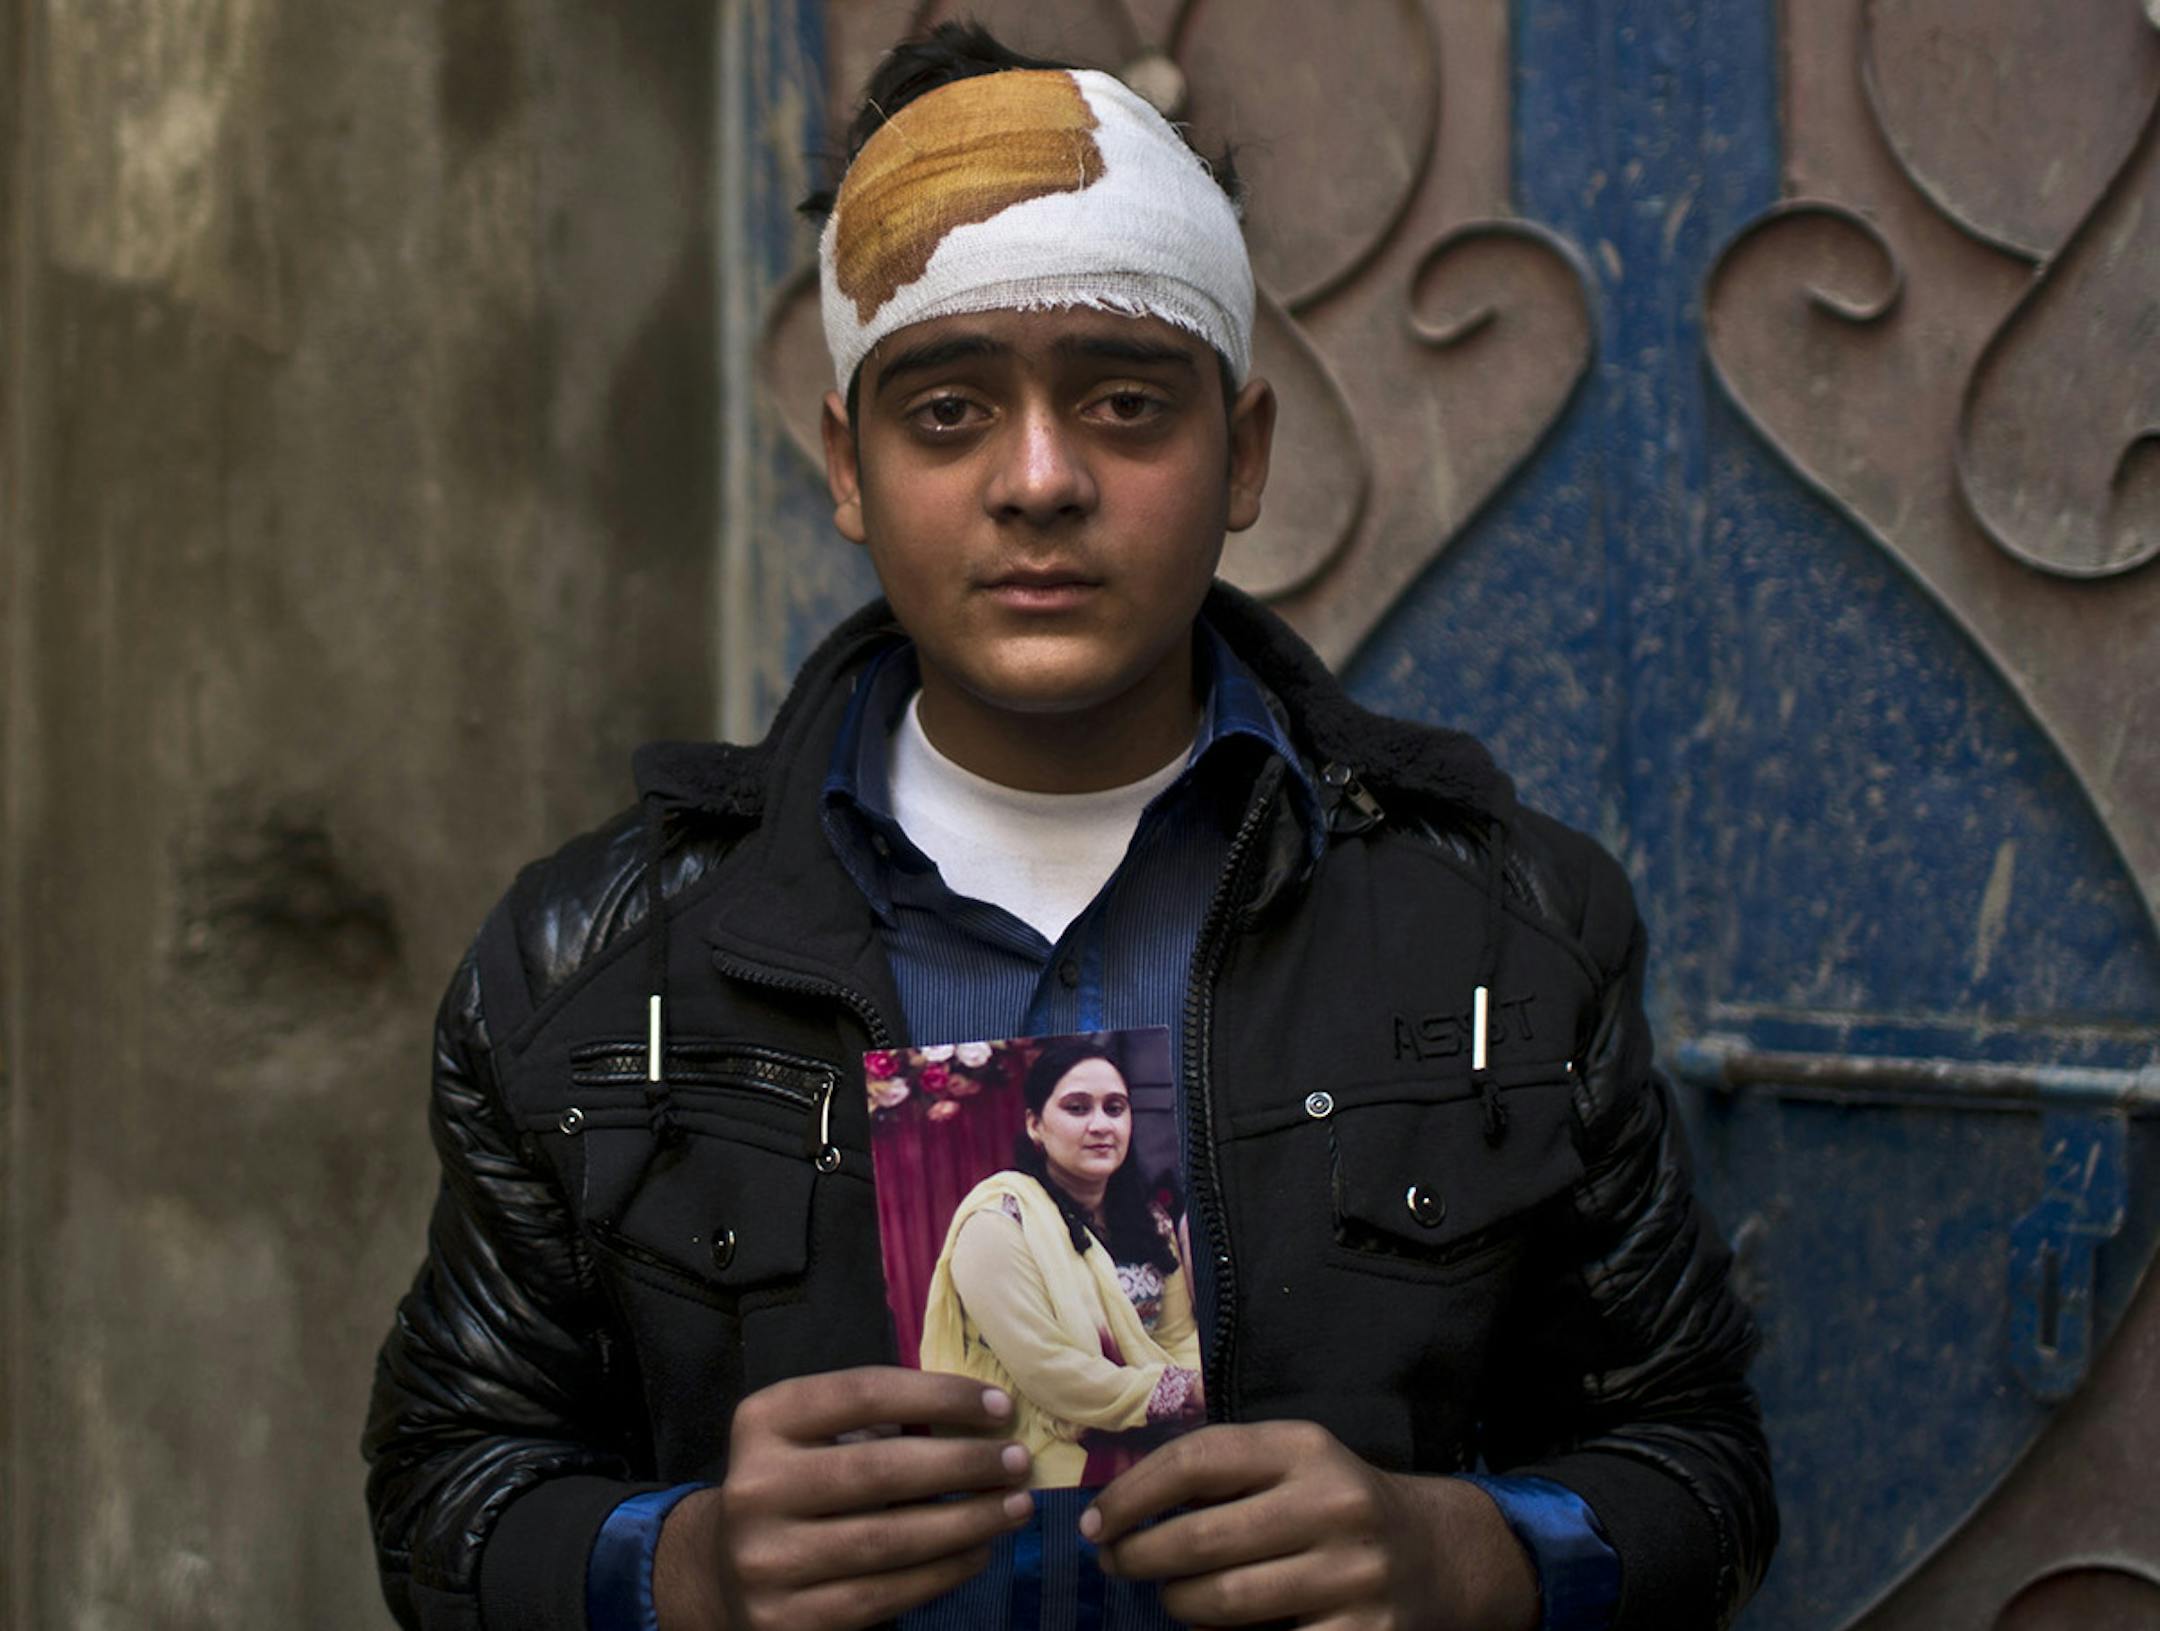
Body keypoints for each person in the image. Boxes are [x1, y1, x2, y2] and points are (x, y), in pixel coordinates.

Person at [364, 21, 1777, 1631]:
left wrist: (1462, 1553)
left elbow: (1703, 1458)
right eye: (949, 413)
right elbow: (442, 1486)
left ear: (1241, 453)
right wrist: (678, 1565)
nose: (1040, 481)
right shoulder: (590, 967)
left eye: (1123, 403)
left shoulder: (1504, 930)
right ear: (848, 462)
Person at [920, 1039, 1204, 1488]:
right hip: (1044, 1444)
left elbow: (1177, 1334)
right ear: (1036, 1124)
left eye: (1115, 1108)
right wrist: (1178, 1393)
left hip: (1156, 1427)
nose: (1101, 1125)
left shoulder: (1148, 1220)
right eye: (1077, 1108)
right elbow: (1048, 1369)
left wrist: (1196, 1393)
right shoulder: (997, 1224)